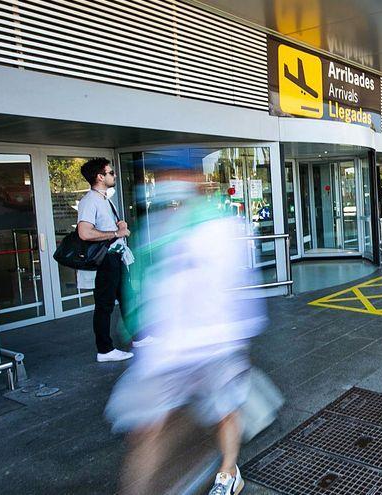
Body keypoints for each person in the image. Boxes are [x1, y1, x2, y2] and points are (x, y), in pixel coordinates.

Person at [106, 168, 266, 495]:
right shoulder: (156, 229)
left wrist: (239, 336)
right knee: (146, 427)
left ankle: (228, 472)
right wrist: (139, 325)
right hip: (168, 348)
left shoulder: (221, 228)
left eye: (176, 178)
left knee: (224, 411)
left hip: (215, 340)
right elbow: (146, 283)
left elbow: (238, 286)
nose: (168, 186)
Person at [76, 157, 147, 362]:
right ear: (100, 176)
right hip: (105, 259)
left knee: (127, 298)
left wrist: (119, 228)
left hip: (115, 257)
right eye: (111, 172)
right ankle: (105, 350)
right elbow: (84, 233)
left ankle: (138, 337)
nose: (114, 175)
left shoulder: (104, 199)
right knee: (105, 304)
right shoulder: (90, 201)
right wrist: (116, 233)